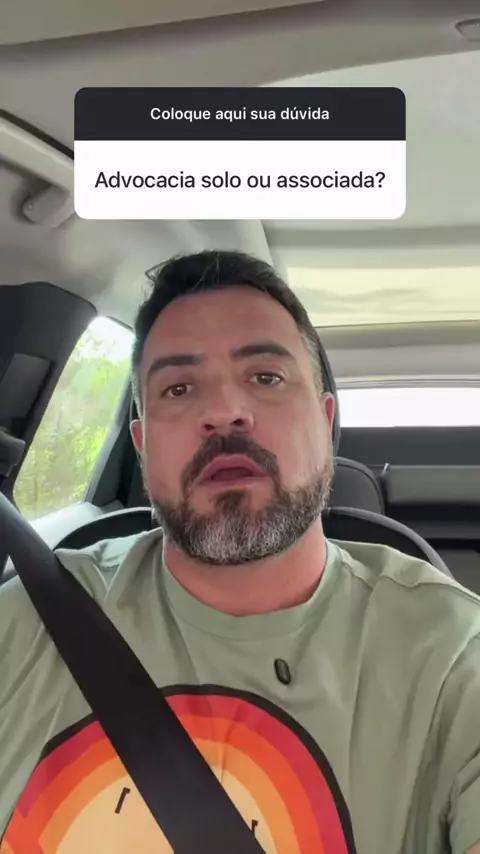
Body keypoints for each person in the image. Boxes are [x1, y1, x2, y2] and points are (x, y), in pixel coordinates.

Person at [0, 250, 479, 854]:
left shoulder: (450, 653)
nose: (224, 413)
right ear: (142, 447)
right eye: (178, 387)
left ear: (326, 422)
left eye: (266, 377)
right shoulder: (27, 621)